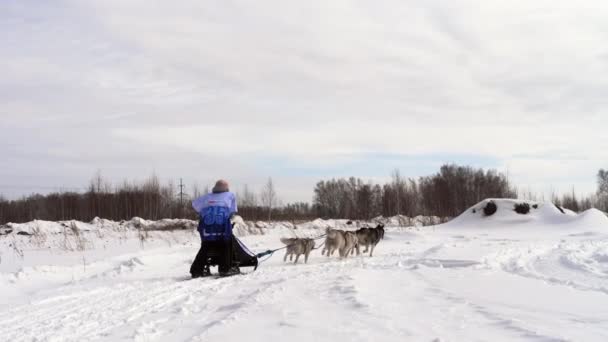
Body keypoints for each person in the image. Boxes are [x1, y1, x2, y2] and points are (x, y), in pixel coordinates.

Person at [190, 179, 239, 278]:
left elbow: (195, 205)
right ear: (226, 188)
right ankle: (225, 269)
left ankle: (196, 270)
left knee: (205, 246)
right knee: (226, 244)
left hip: (207, 226)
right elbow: (232, 211)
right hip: (222, 225)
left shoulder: (207, 197)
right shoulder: (230, 195)